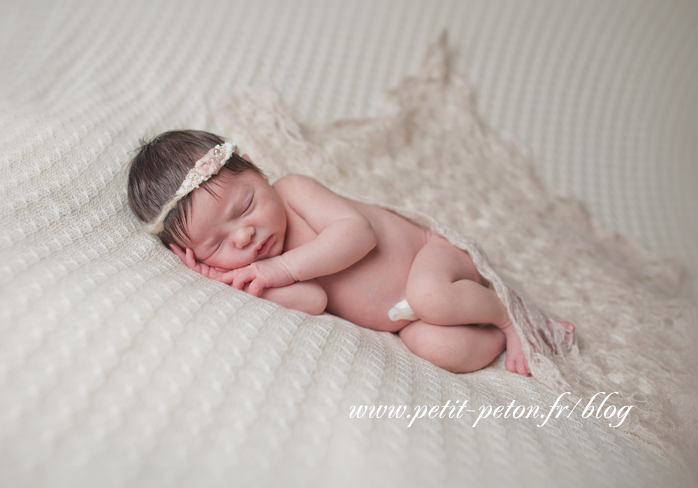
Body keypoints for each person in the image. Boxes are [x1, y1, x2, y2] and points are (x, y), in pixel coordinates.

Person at [127, 130, 574, 375]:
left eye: (245, 206)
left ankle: (510, 317)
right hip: (406, 319)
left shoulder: (293, 193)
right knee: (435, 346)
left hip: (431, 257)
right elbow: (313, 299)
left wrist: (281, 267)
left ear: (259, 173)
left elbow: (357, 234)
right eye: (218, 245)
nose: (244, 236)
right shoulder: (260, 268)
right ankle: (494, 336)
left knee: (432, 296)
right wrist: (237, 284)